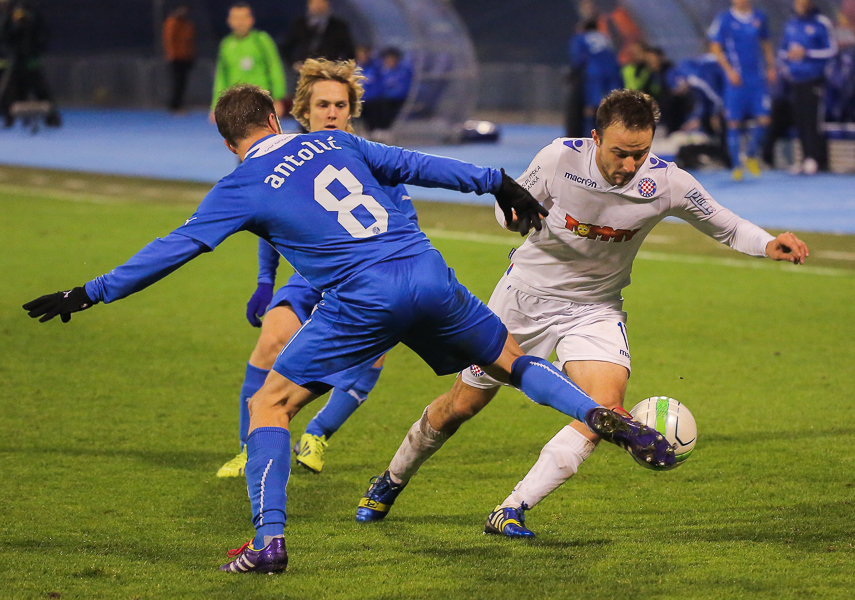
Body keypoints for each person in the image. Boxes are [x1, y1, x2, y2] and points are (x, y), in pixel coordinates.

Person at [23, 84, 676, 573]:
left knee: (269, 403)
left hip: (362, 299)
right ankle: (601, 415)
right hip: (426, 272)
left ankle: (268, 541)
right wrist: (494, 181)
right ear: (278, 119)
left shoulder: (239, 183)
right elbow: (414, 164)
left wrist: (89, 293)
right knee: (513, 362)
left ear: (231, 142)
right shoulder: (332, 140)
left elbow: (175, 249)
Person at [356, 89, 808, 538]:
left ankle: (513, 507)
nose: (630, 165)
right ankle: (392, 479)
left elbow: (726, 226)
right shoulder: (558, 159)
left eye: (641, 154)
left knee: (604, 409)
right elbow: (506, 210)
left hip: (595, 309)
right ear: (595, 139)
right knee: (461, 405)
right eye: (620, 153)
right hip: (523, 300)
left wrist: (768, 244)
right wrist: (514, 219)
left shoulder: (668, 183)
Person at [215, 57, 419, 479]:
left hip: (369, 277)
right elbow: (269, 225)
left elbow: (407, 229)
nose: (332, 113)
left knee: (376, 351)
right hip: (309, 277)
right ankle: (249, 448)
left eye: (340, 105)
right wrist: (264, 281)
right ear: (303, 112)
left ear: (351, 111)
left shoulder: (374, 160)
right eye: (323, 104)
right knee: (272, 340)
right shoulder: (281, 158)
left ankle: (319, 432)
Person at [708, 0, 777, 181]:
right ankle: (736, 166)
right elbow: (715, 47)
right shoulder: (724, 19)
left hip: (757, 79)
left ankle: (751, 156)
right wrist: (729, 71)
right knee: (733, 122)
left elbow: (766, 42)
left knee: (764, 120)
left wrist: (770, 66)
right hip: (736, 81)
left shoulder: (759, 16)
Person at [779, 0, 837, 175]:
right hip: (795, 80)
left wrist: (807, 53)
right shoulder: (791, 24)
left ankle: (815, 158)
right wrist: (789, 56)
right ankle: (804, 158)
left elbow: (831, 50)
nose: (800, 3)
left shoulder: (821, 23)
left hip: (814, 79)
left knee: (813, 119)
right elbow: (782, 51)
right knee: (800, 120)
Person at [210, 3, 285, 123]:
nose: (240, 22)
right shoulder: (226, 44)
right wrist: (216, 104)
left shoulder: (262, 40)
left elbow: (275, 68)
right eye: (236, 18)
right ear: (229, 21)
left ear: (251, 20)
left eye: (244, 18)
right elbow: (221, 77)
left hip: (261, 101)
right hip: (234, 103)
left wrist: (278, 98)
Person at [0, 0, 60, 127]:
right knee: (10, 91)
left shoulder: (32, 14)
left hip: (31, 59)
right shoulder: (10, 15)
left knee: (41, 89)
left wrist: (36, 49)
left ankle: (52, 118)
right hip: (16, 59)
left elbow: (42, 34)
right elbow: (5, 36)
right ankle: (9, 118)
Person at [569, 20, 622, 137]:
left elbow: (578, 59)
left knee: (592, 107)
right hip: (613, 70)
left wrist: (574, 74)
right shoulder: (605, 37)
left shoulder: (580, 37)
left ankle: (591, 138)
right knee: (613, 104)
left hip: (595, 72)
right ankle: (614, 134)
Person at [279, 0, 355, 67]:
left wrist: (338, 67)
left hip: (329, 72)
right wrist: (293, 64)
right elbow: (284, 48)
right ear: (309, 5)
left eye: (321, 2)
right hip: (304, 70)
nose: (318, 6)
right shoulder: (299, 24)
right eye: (314, 3)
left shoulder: (339, 26)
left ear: (327, 4)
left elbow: (349, 52)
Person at [163, 5, 196, 113]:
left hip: (186, 57)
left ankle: (179, 104)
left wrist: (191, 55)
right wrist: (171, 55)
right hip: (176, 58)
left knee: (182, 83)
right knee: (176, 82)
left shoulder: (187, 24)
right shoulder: (172, 22)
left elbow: (191, 41)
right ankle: (174, 105)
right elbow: (169, 40)